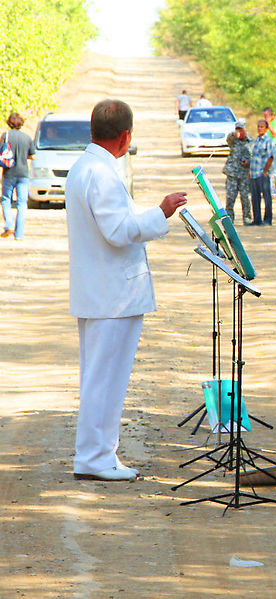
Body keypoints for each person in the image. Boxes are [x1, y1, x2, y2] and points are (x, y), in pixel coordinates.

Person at [66, 99, 187, 481]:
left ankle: (101, 453)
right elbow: (118, 232)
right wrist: (161, 213)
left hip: (102, 292)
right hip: (111, 295)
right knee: (106, 379)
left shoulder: (88, 167)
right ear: (125, 136)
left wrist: (149, 213)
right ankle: (95, 458)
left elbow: (117, 221)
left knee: (101, 378)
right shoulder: (100, 173)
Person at [1, 112, 35, 240]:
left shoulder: (6, 136)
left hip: (9, 173)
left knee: (6, 199)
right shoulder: (27, 138)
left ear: (9, 123)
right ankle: (19, 234)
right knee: (22, 203)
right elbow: (33, 155)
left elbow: (1, 153)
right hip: (23, 174)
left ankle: (9, 224)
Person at [223, 119, 252, 223]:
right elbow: (228, 140)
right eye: (237, 129)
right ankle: (229, 219)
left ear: (245, 130)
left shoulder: (250, 142)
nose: (239, 132)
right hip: (232, 173)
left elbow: (254, 157)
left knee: (245, 197)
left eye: (241, 129)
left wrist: (248, 162)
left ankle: (247, 217)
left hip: (244, 174)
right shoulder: (233, 140)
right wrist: (233, 134)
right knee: (230, 197)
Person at [248, 119, 274, 226]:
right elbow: (253, 157)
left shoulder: (268, 140)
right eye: (258, 126)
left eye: (262, 127)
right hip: (254, 173)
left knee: (266, 197)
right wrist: (250, 171)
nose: (259, 129)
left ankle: (267, 219)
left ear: (266, 128)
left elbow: (270, 157)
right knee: (255, 197)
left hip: (263, 173)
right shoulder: (257, 140)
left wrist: (265, 171)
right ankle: (257, 219)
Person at [262, 107, 276, 199]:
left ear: (271, 114)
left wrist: (269, 123)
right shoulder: (265, 123)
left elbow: (274, 133)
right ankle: (269, 191)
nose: (265, 117)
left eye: (266, 115)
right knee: (268, 169)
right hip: (267, 147)